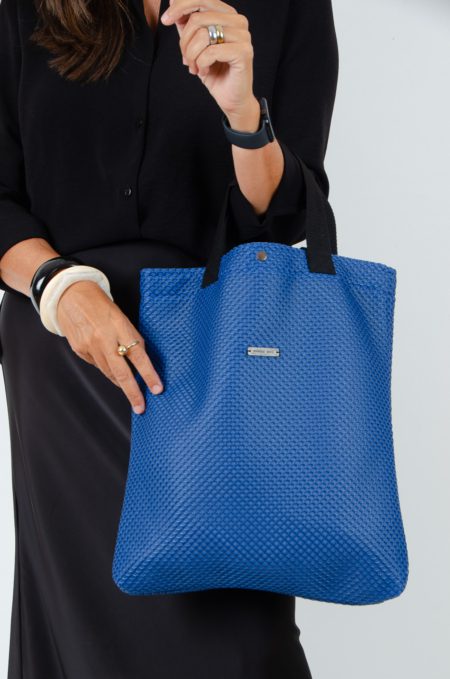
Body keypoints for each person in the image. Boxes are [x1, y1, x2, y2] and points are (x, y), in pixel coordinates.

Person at [0, 0, 339, 676]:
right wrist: (61, 288)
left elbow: (283, 223)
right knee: (91, 636)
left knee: (238, 640)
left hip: (218, 368)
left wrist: (243, 114)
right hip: (68, 356)